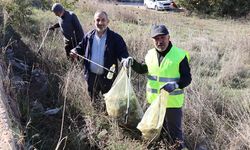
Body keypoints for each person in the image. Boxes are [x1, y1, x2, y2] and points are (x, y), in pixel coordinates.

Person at [122, 25, 191, 149]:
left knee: (175, 137)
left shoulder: (180, 55)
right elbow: (143, 69)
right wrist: (131, 62)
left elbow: (187, 79)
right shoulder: (150, 54)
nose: (160, 41)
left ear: (169, 37)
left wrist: (175, 85)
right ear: (152, 40)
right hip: (154, 103)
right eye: (156, 39)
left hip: (172, 104)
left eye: (162, 37)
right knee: (156, 134)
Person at [70, 10, 129, 102]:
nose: (100, 23)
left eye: (103, 20)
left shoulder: (115, 38)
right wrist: (75, 50)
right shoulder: (88, 36)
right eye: (97, 20)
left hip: (107, 77)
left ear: (107, 22)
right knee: (94, 100)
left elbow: (123, 53)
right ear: (94, 22)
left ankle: (106, 115)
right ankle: (94, 115)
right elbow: (80, 48)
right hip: (91, 76)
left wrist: (125, 60)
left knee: (109, 101)